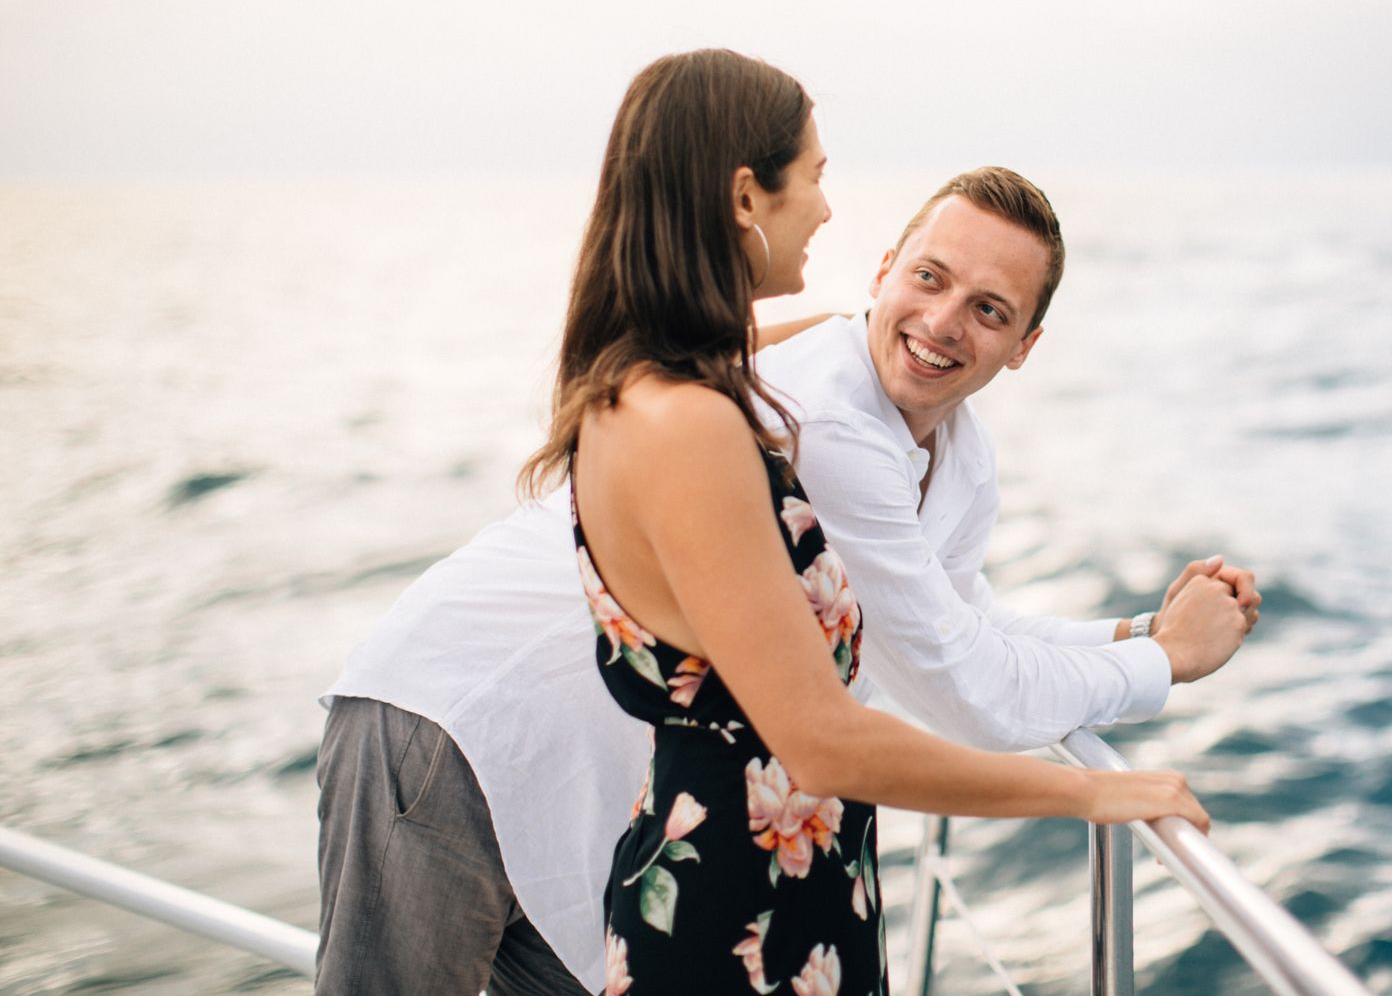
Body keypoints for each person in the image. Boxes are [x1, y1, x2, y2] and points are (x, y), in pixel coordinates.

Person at [316, 56, 1259, 993]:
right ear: (749, 199)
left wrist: (1135, 633)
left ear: (1025, 345)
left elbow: (958, 621)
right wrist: (1143, 701)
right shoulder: (792, 419)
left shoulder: (911, 430)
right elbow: (936, 692)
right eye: (814, 175)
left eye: (988, 309)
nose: (828, 207)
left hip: (651, 818)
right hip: (464, 724)